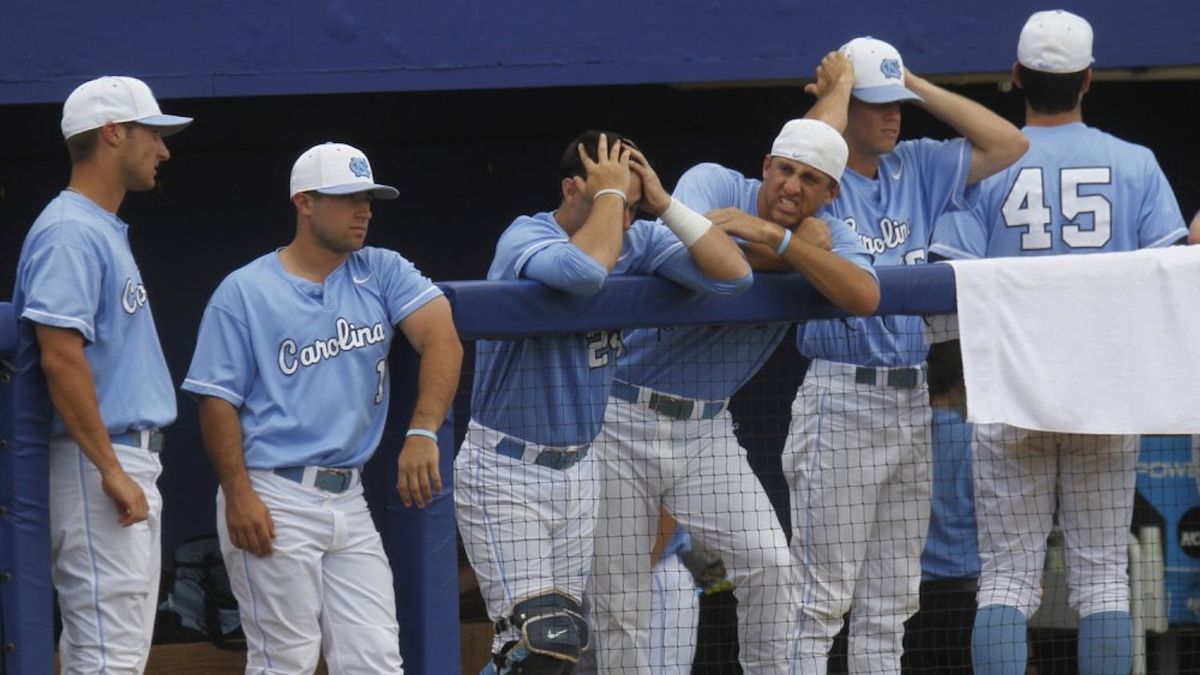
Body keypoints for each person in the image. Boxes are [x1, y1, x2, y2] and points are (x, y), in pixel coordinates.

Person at [589, 54, 881, 670]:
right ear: (765, 166)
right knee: (621, 601)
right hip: (623, 417)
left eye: (809, 180)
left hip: (707, 432)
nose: (791, 186)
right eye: (783, 170)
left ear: (831, 193)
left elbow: (865, 294)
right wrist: (796, 249)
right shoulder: (714, 181)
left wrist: (773, 237)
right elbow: (703, 260)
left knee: (771, 563)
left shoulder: (826, 231)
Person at [927, 11, 1188, 675]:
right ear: (1088, 80)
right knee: (1101, 577)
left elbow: (947, 286)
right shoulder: (1135, 163)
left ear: (1016, 77)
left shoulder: (984, 167)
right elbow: (1171, 282)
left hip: (1012, 390)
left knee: (1007, 579)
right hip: (1105, 390)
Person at [456, 130, 752, 674]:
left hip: (579, 475)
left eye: (634, 206)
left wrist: (660, 203)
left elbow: (734, 277)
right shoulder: (525, 236)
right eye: (611, 198)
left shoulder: (635, 236)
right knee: (542, 643)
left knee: (552, 650)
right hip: (506, 470)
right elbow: (586, 272)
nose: (628, 218)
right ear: (573, 189)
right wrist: (615, 196)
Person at [787, 36, 1027, 675]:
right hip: (841, 393)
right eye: (876, 104)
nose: (892, 116)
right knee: (819, 601)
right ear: (847, 107)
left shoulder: (916, 164)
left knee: (890, 601)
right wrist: (839, 91)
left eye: (898, 104)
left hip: (910, 394)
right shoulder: (822, 181)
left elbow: (1009, 143)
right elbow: (798, 158)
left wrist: (912, 82)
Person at [182, 142, 463, 674]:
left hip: (348, 497)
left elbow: (442, 338)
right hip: (274, 490)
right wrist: (239, 494)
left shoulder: (380, 270)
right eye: (349, 197)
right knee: (284, 660)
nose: (365, 210)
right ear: (305, 202)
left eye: (369, 198)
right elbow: (215, 400)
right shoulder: (244, 290)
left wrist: (423, 431)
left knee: (376, 659)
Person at [12, 75, 191, 674]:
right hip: (96, 461)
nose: (163, 150)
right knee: (108, 655)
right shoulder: (70, 231)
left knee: (110, 652)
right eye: (153, 134)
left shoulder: (95, 226)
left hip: (115, 458)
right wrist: (110, 469)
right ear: (114, 133)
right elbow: (60, 356)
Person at [900, 339, 979, 675]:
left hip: (908, 602)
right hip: (967, 601)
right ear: (962, 385)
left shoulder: (897, 440)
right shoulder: (976, 441)